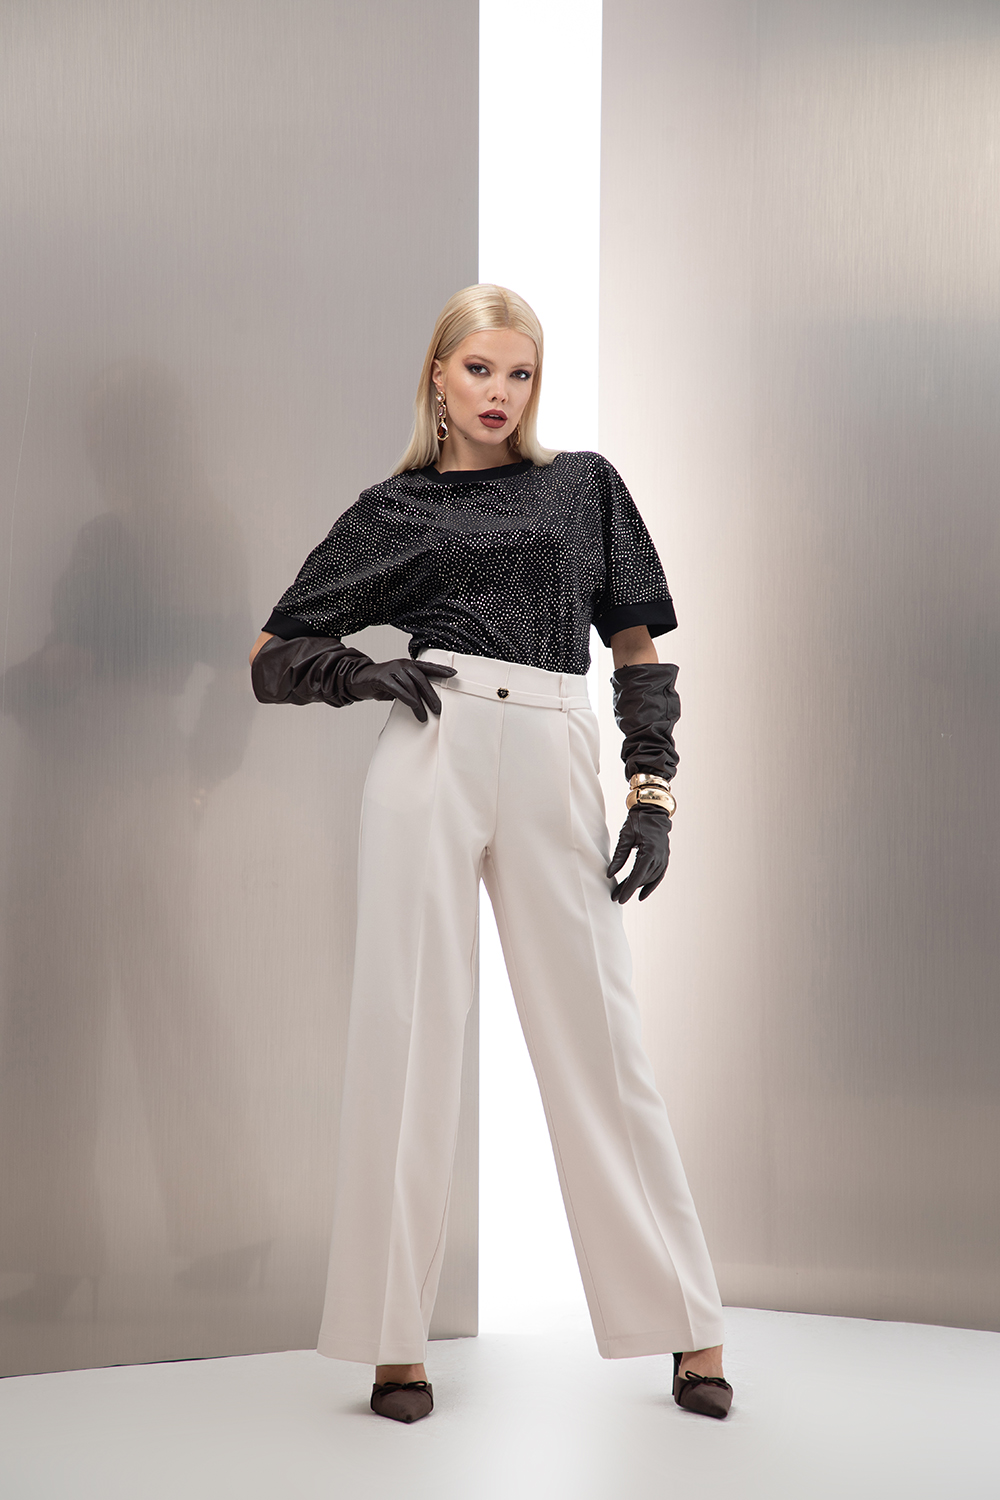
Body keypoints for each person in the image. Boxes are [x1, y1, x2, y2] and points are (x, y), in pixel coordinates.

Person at [249, 285, 733, 1423]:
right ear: (438, 375)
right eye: (479, 370)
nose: (500, 394)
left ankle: (690, 1324)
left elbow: (635, 647)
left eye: (519, 374)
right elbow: (272, 654)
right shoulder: (394, 509)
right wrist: (358, 672)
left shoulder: (585, 485)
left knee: (601, 1038)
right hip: (435, 744)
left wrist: (651, 790)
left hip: (556, 743)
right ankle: (392, 1345)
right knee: (407, 1029)